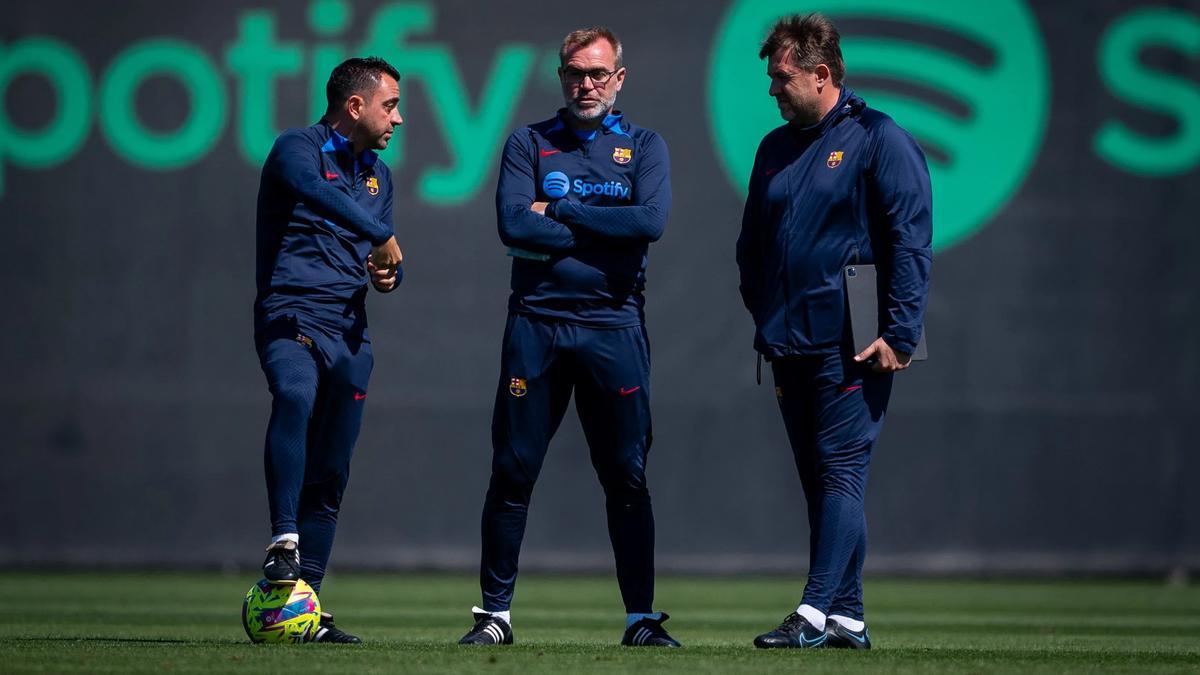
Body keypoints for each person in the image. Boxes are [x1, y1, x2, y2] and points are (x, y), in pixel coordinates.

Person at [457, 27, 679, 648]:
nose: (586, 85)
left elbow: (650, 223)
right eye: (575, 74)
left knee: (627, 477)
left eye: (598, 74)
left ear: (619, 78)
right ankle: (495, 616)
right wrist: (608, 229)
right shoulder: (529, 142)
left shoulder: (645, 147)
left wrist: (558, 212)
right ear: (561, 77)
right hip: (538, 324)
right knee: (512, 470)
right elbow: (511, 225)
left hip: (614, 328)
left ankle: (640, 620)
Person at [736, 14, 932, 650]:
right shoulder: (774, 147)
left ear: (821, 75)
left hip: (858, 337)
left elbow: (910, 240)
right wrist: (764, 311)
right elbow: (752, 245)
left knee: (842, 472)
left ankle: (813, 611)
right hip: (789, 340)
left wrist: (900, 334)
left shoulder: (880, 138)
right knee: (819, 481)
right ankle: (848, 617)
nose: (773, 89)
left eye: (782, 77)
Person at [253, 56, 405, 644]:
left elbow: (383, 261)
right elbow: (317, 194)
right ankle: (282, 543)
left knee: (332, 473)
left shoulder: (379, 177)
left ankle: (306, 607)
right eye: (390, 104)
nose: (399, 117)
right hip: (291, 316)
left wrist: (386, 271)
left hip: (350, 331)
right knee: (293, 393)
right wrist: (381, 235)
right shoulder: (297, 148)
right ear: (355, 105)